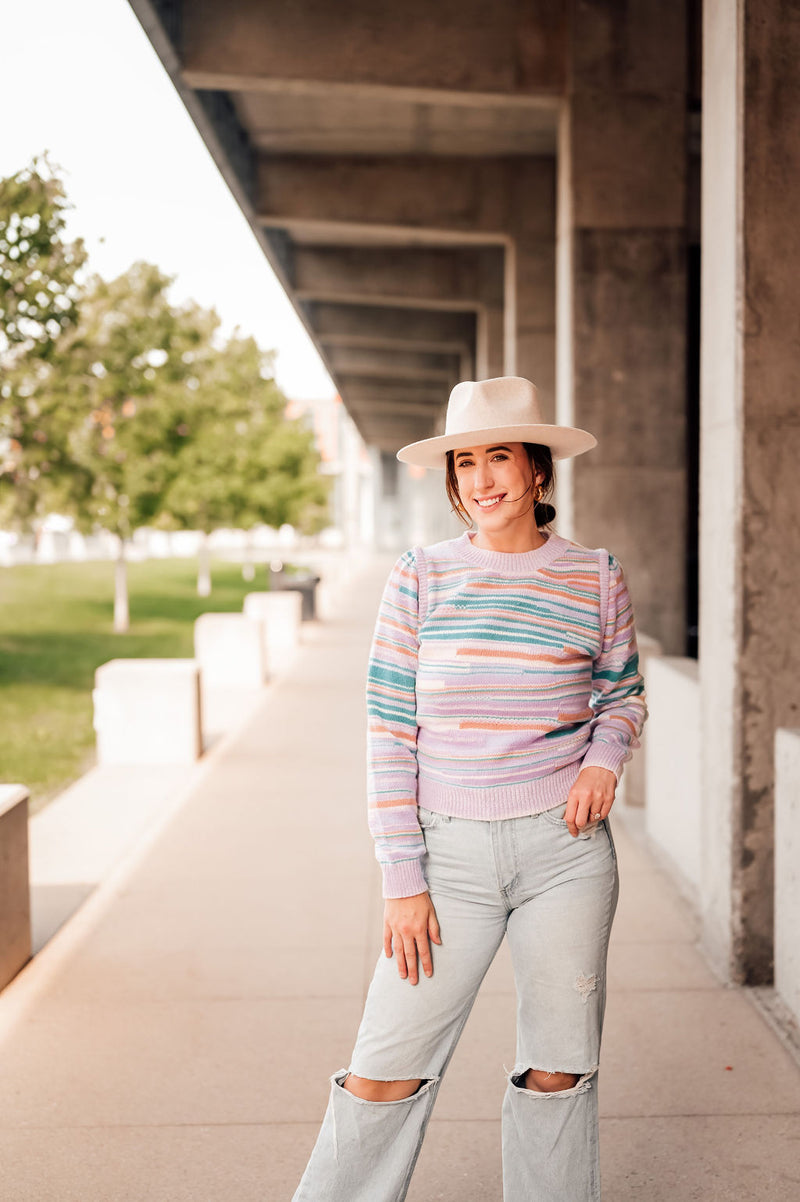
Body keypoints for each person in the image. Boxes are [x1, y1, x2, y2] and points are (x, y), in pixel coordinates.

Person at [292, 375, 648, 1201]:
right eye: (464, 463)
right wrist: (402, 878)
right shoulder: (421, 577)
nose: (481, 479)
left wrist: (604, 758)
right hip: (444, 860)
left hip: (566, 858)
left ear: (536, 471)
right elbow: (387, 730)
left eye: (498, 457)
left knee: (557, 1073)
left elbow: (622, 695)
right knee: (385, 1069)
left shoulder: (595, 577)